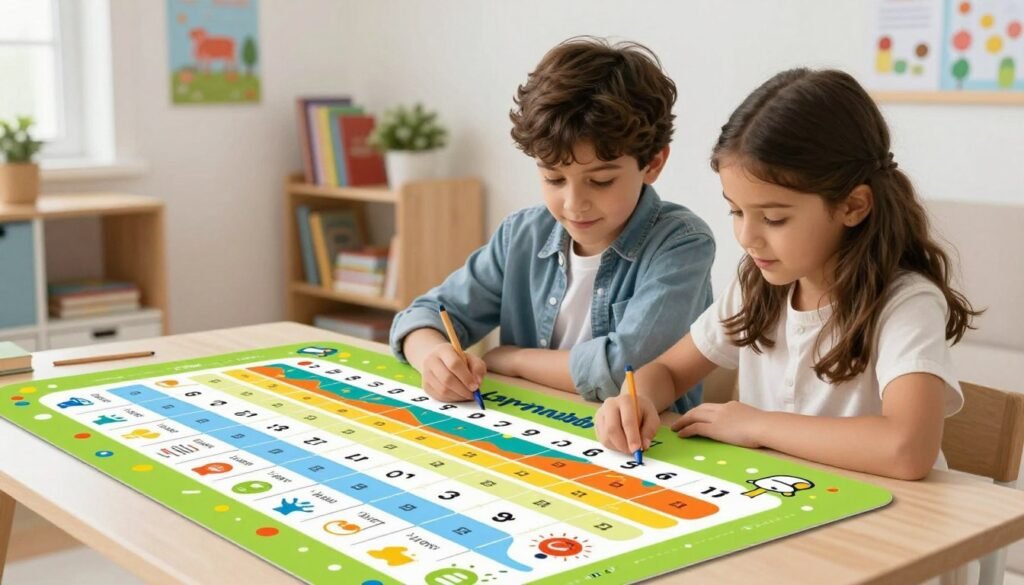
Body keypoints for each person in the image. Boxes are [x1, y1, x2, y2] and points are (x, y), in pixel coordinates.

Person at [595, 68, 981, 480]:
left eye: (774, 218)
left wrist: (756, 424)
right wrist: (636, 401)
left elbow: (907, 449)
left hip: (894, 522)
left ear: (853, 206)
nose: (747, 237)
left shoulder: (906, 303)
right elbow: (669, 372)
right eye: (736, 211)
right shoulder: (758, 284)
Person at [389, 36, 715, 411]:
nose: (575, 203)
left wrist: (513, 361)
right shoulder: (522, 235)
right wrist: (433, 356)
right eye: (554, 179)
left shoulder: (682, 243)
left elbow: (627, 372)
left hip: (642, 445)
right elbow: (422, 315)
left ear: (653, 164)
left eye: (601, 180)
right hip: (532, 430)